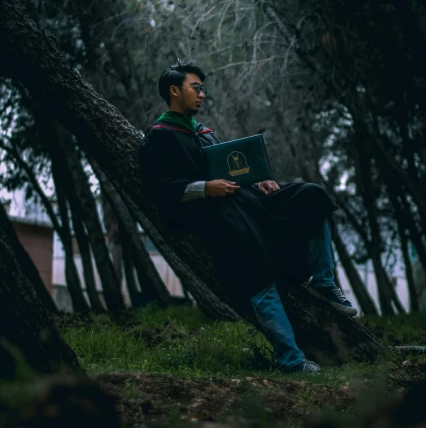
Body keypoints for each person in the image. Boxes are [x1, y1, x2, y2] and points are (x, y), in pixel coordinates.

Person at [139, 61, 357, 375]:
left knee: (311, 196)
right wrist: (205, 188)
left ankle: (324, 282)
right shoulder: (159, 137)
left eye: (203, 87)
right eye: (195, 87)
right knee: (256, 268)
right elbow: (160, 191)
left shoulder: (203, 132)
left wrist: (257, 181)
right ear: (174, 91)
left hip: (246, 201)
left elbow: (228, 171)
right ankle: (291, 360)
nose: (202, 94)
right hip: (217, 216)